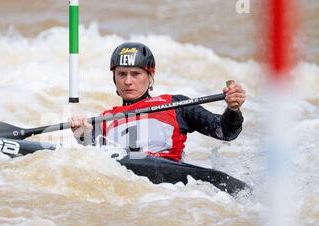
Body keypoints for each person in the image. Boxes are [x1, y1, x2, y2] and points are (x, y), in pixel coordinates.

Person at [68, 42, 246, 162]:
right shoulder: (105, 119)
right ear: (114, 78)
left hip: (168, 186)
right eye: (122, 74)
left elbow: (226, 132)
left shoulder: (176, 105)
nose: (128, 81)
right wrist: (82, 135)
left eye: (136, 74)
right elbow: (95, 162)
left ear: (150, 77)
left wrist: (233, 110)